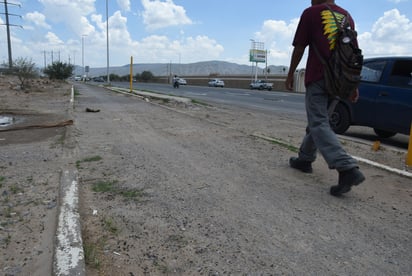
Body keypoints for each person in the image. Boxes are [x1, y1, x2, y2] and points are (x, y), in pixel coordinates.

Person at [285, 0, 365, 197]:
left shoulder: (311, 13)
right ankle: (305, 159)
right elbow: (355, 54)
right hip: (341, 80)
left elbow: (300, 47)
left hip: (319, 77)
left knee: (319, 122)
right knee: (319, 121)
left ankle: (347, 168)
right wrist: (353, 86)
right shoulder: (347, 16)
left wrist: (290, 73)